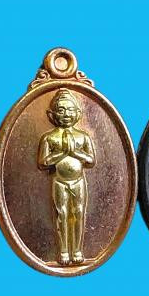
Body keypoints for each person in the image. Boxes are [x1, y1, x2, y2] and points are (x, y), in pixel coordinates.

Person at [38, 89, 95, 265]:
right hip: (59, 181)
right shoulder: (49, 138)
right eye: (61, 110)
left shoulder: (83, 137)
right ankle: (63, 251)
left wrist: (75, 152)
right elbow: (43, 162)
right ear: (52, 114)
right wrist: (62, 153)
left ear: (78, 113)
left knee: (78, 213)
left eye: (70, 110)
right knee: (61, 214)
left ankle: (77, 250)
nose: (66, 114)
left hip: (78, 181)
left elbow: (91, 160)